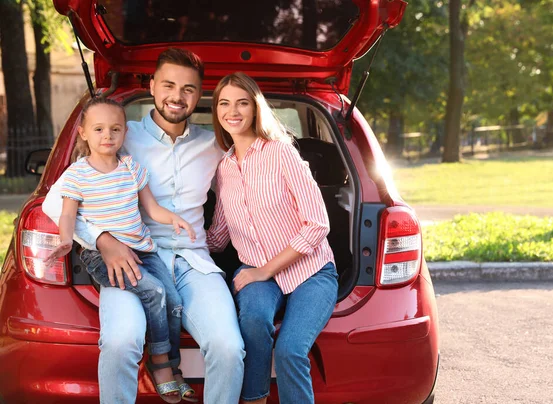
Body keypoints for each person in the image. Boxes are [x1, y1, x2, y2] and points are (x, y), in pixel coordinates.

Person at [42, 48, 245, 404]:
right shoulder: (119, 134)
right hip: (129, 257)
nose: (177, 96)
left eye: (188, 89)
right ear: (152, 86)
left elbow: (250, 183)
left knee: (229, 348)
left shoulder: (213, 144)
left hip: (193, 261)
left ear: (200, 95)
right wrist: (101, 239)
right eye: (168, 85)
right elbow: (54, 202)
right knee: (121, 343)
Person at [43, 97, 197, 403]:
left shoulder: (131, 168)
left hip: (144, 251)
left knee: (175, 301)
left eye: (114, 129)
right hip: (101, 257)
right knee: (154, 293)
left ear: (124, 132)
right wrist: (64, 240)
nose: (107, 136)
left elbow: (152, 209)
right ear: (84, 133)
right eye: (98, 129)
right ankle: (161, 363)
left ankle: (172, 365)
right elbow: (68, 214)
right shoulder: (77, 175)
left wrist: (176, 219)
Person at [206, 72, 339, 404]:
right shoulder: (223, 168)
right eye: (224, 103)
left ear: (254, 109)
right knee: (253, 320)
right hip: (256, 273)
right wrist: (174, 241)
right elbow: (220, 235)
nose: (232, 111)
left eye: (241, 103)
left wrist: (265, 270)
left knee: (291, 350)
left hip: (312, 272)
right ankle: (256, 399)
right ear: (216, 111)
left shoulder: (281, 152)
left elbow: (318, 224)